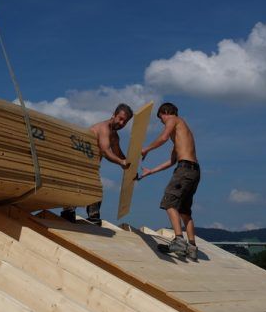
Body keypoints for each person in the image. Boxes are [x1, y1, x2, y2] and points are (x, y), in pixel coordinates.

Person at [136, 102, 200, 260]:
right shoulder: (182, 136)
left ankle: (179, 240)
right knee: (185, 211)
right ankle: (192, 247)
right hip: (194, 171)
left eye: (161, 119)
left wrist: (146, 149)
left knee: (169, 202)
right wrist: (151, 171)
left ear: (165, 113)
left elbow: (163, 137)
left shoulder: (174, 119)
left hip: (184, 170)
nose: (162, 122)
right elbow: (171, 161)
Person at [61, 103, 133, 225]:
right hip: (79, 164)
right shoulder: (103, 128)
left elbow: (119, 154)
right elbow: (105, 151)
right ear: (114, 115)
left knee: (95, 187)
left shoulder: (114, 136)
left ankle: (93, 217)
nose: (121, 123)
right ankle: (68, 213)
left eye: (124, 122)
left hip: (91, 167)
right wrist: (122, 162)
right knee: (78, 188)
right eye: (120, 119)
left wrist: (131, 167)